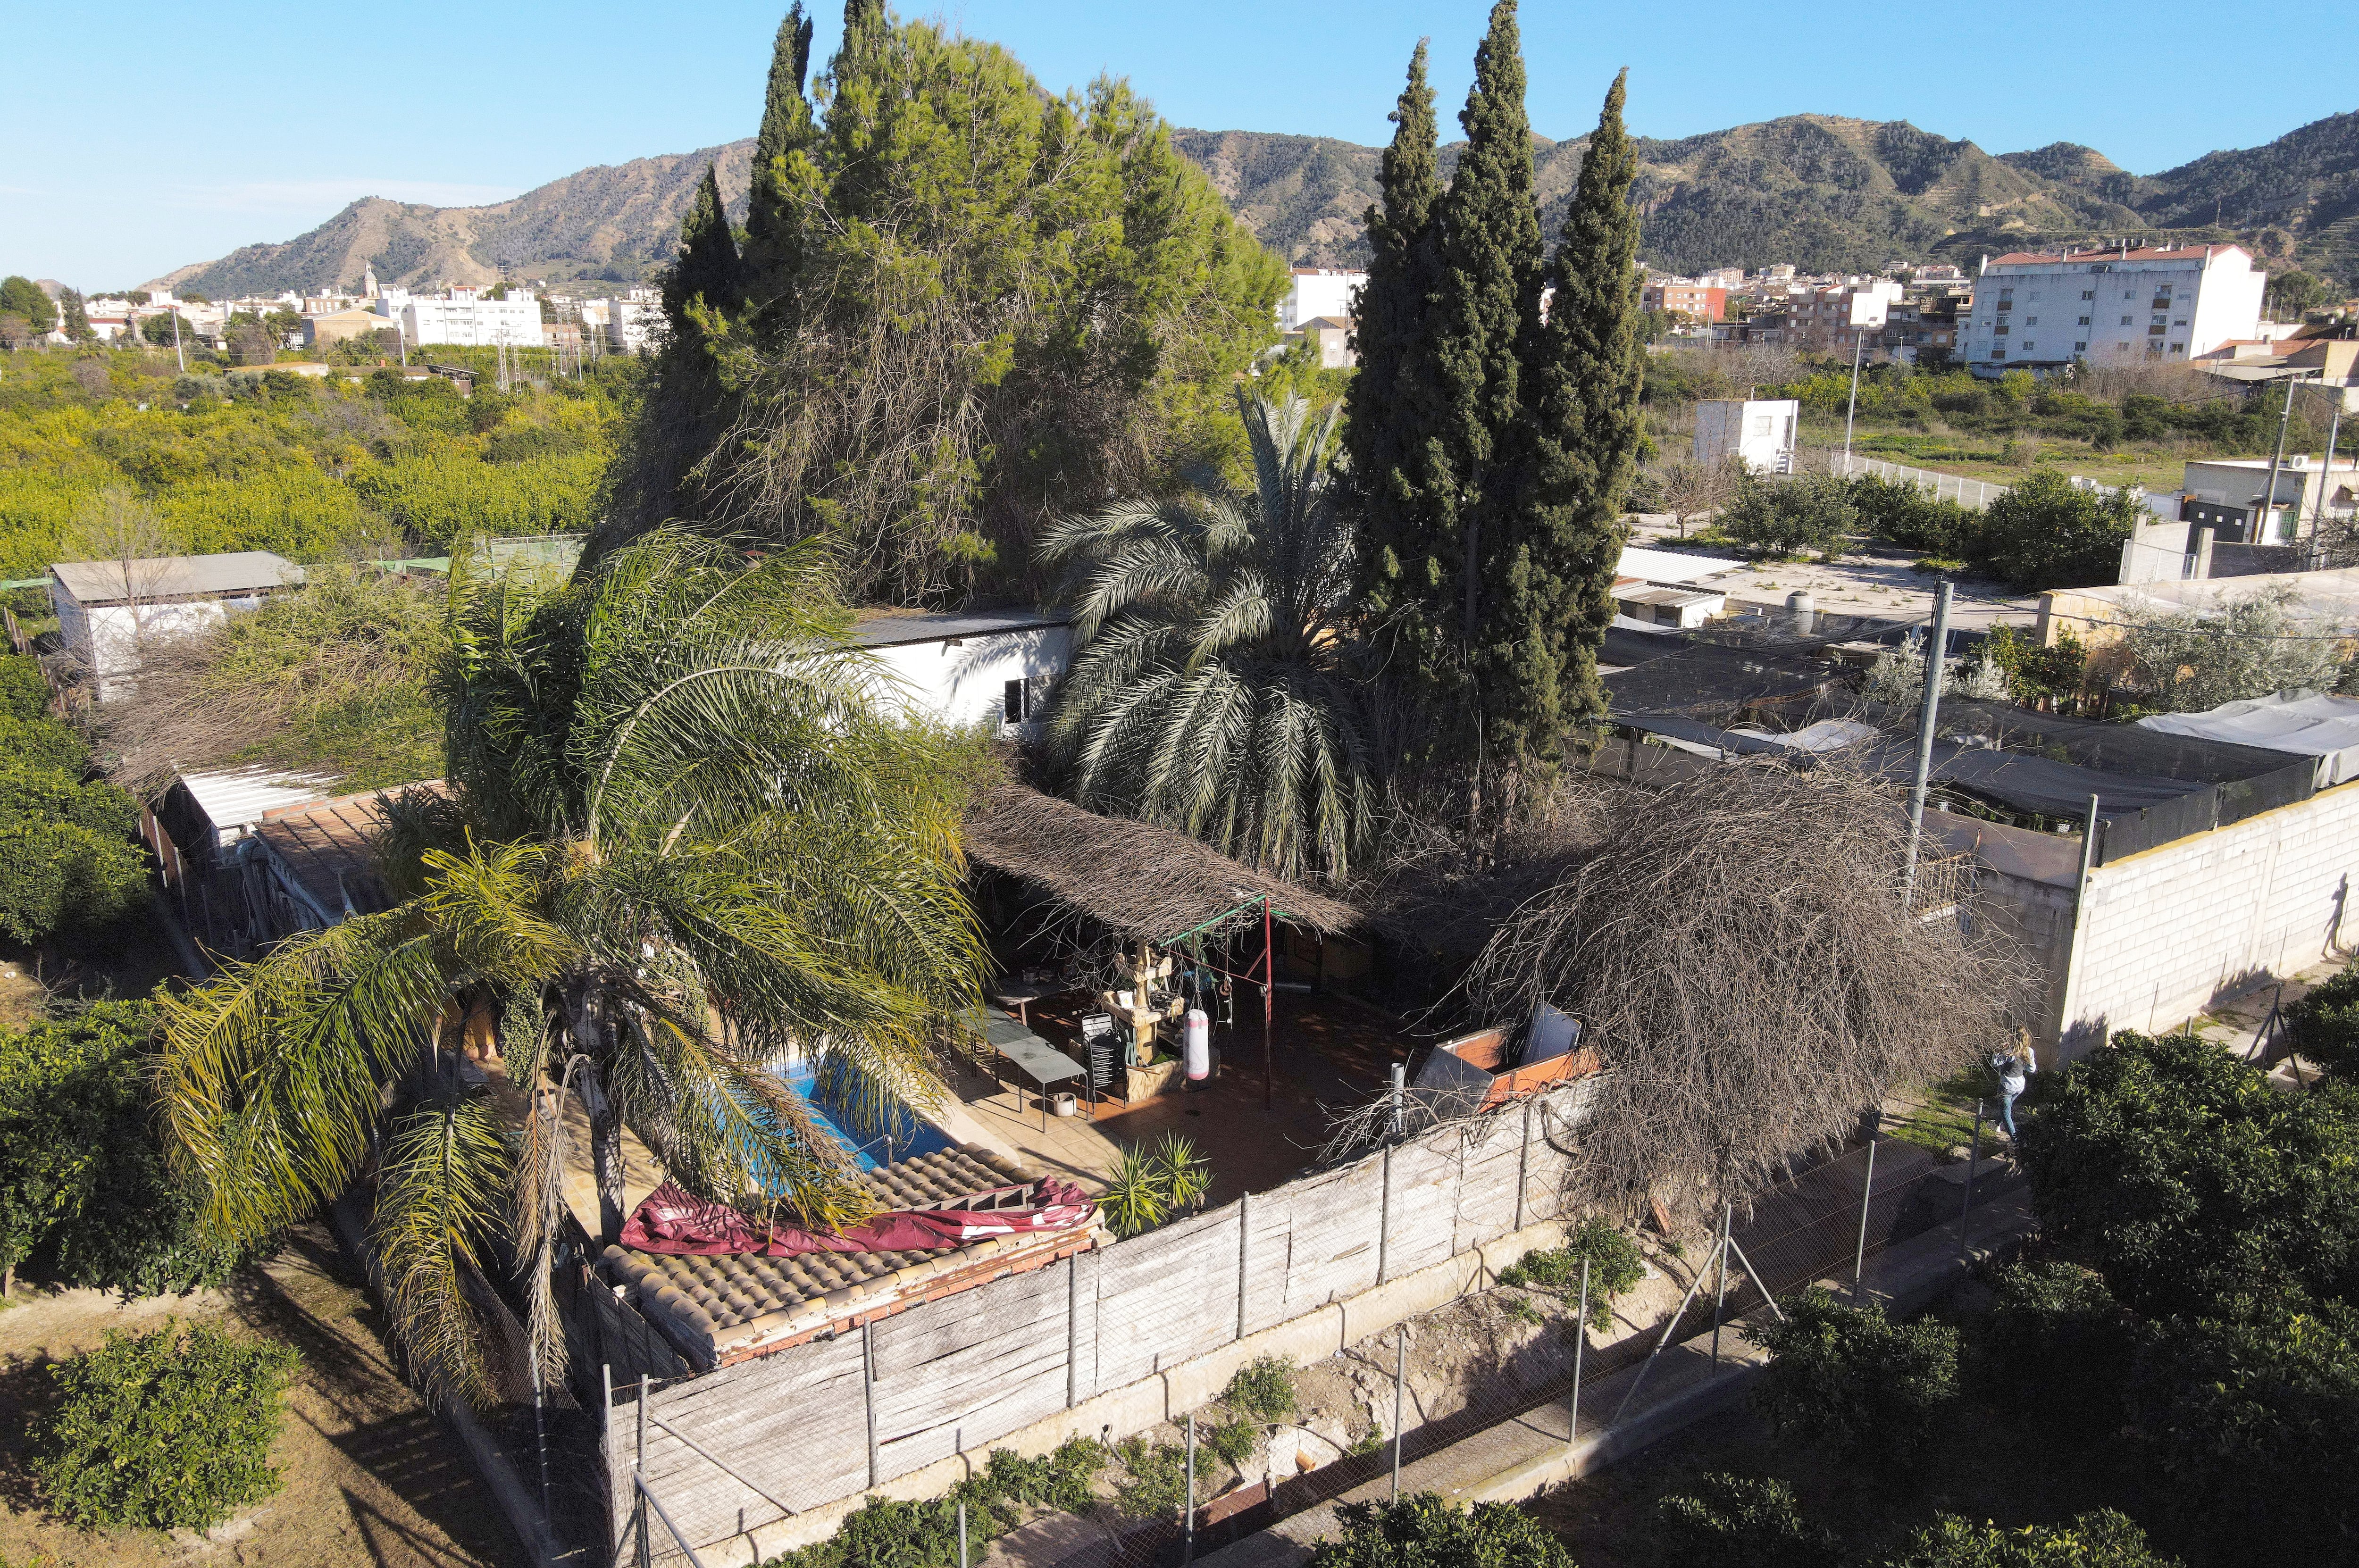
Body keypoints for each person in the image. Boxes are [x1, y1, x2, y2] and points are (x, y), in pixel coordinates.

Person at [1988, 1032, 2034, 1140]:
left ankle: (2016, 1140)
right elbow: (2032, 1069)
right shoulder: (2029, 1051)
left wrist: (1998, 1051)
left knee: (2006, 1114)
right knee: (2006, 1108)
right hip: (2019, 1086)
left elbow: (1995, 1063)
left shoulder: (2009, 1052)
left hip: (2007, 1087)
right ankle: (1996, 1124)